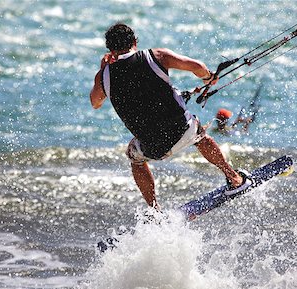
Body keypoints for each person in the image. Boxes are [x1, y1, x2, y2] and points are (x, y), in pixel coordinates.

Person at [90, 23, 251, 210]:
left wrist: (103, 70)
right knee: (199, 135)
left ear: (110, 50)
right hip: (184, 130)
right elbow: (197, 67)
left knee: (135, 157)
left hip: (153, 147)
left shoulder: (104, 76)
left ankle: (154, 209)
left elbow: (95, 103)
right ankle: (235, 178)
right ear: (135, 41)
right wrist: (208, 77)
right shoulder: (156, 56)